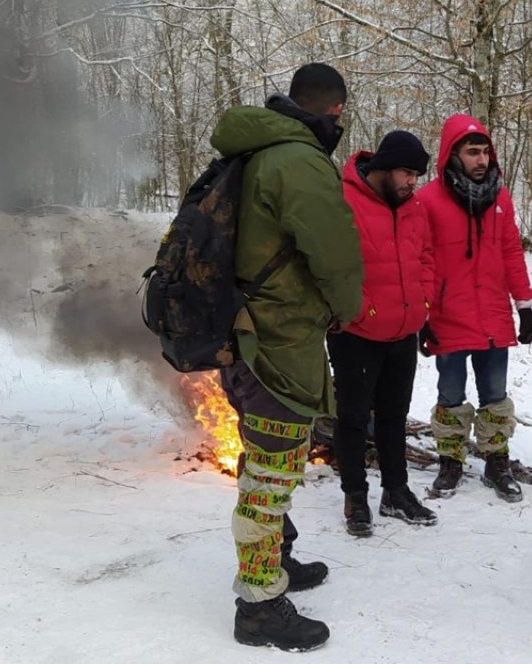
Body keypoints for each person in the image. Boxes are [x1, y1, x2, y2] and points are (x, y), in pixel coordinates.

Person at [210, 63, 363, 652]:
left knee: (266, 462)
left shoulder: (252, 151)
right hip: (276, 341)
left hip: (242, 334)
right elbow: (336, 254)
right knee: (270, 476)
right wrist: (348, 308)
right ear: (336, 111)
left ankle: (279, 559)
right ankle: (259, 607)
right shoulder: (297, 161)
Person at [417, 113, 532, 502]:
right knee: (450, 393)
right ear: (453, 154)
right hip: (448, 315)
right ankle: (450, 461)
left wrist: (525, 306)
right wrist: (423, 315)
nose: (482, 159)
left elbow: (511, 252)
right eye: (473, 152)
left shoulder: (499, 196)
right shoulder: (429, 200)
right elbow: (422, 260)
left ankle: (496, 461)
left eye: (485, 151)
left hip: (492, 315)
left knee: (495, 394)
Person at [330, 130, 439, 537]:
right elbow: (331, 263)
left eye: (417, 175)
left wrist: (424, 300)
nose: (414, 182)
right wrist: (356, 307)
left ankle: (395, 490)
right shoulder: (343, 199)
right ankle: (355, 496)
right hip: (356, 331)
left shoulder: (413, 207)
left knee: (394, 416)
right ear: (382, 168)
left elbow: (425, 256)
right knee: (353, 417)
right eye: (407, 173)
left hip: (403, 331)